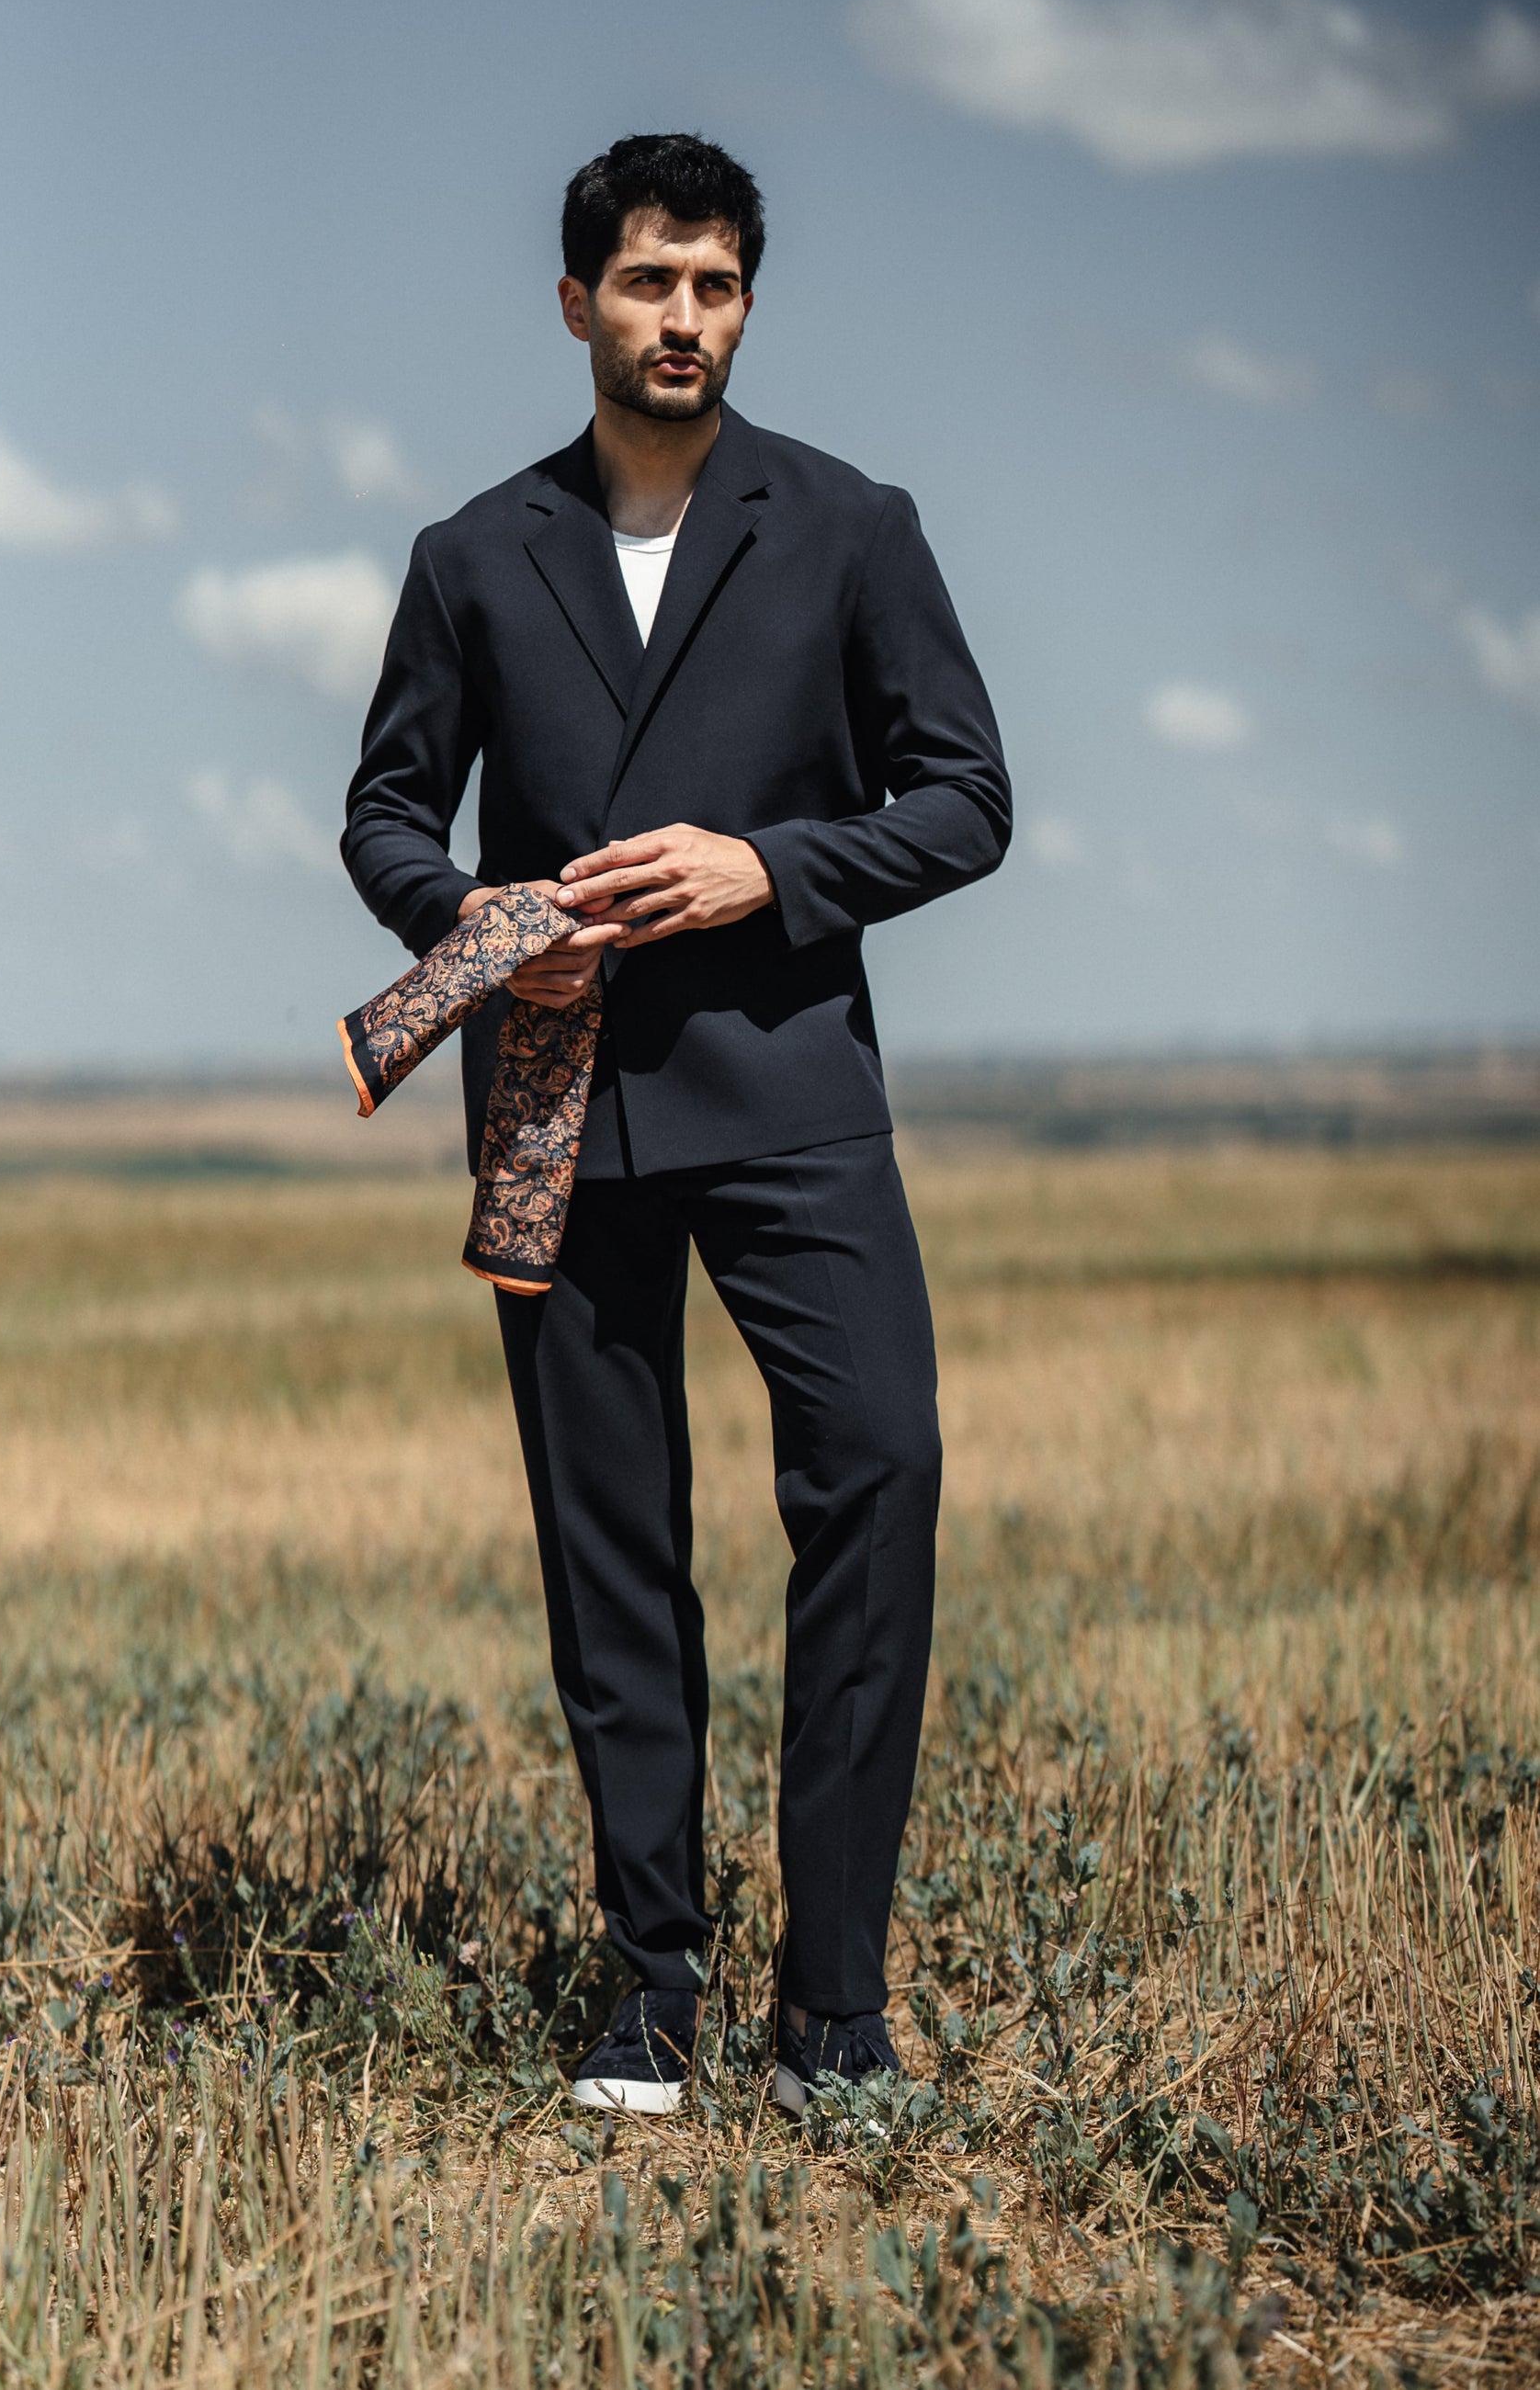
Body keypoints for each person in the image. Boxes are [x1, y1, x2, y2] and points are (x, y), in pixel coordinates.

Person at [344, 134, 1010, 2117]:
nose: (683, 318)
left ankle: (834, 2006)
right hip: (560, 1106)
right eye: (648, 282)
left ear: (745, 304)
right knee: (610, 1546)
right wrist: (476, 919)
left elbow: (965, 797)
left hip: (796, 1088)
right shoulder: (473, 552)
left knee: (879, 1470)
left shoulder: (852, 525)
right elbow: (387, 808)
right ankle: (651, 1989)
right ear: (577, 301)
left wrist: (766, 868)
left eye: (715, 285)